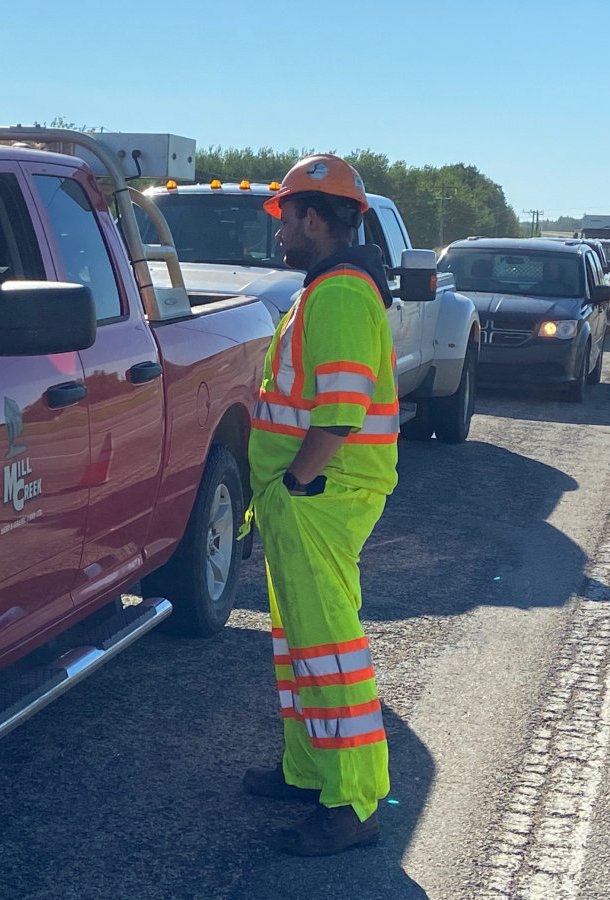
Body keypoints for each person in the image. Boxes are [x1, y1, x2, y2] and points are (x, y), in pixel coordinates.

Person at [242, 154, 398, 856]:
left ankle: (355, 805)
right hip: (304, 499)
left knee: (330, 650)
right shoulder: (328, 289)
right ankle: (308, 771)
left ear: (314, 218)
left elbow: (339, 412)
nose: (279, 230)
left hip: (319, 497)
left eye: (285, 217)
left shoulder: (337, 294)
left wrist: (299, 484)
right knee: (300, 645)